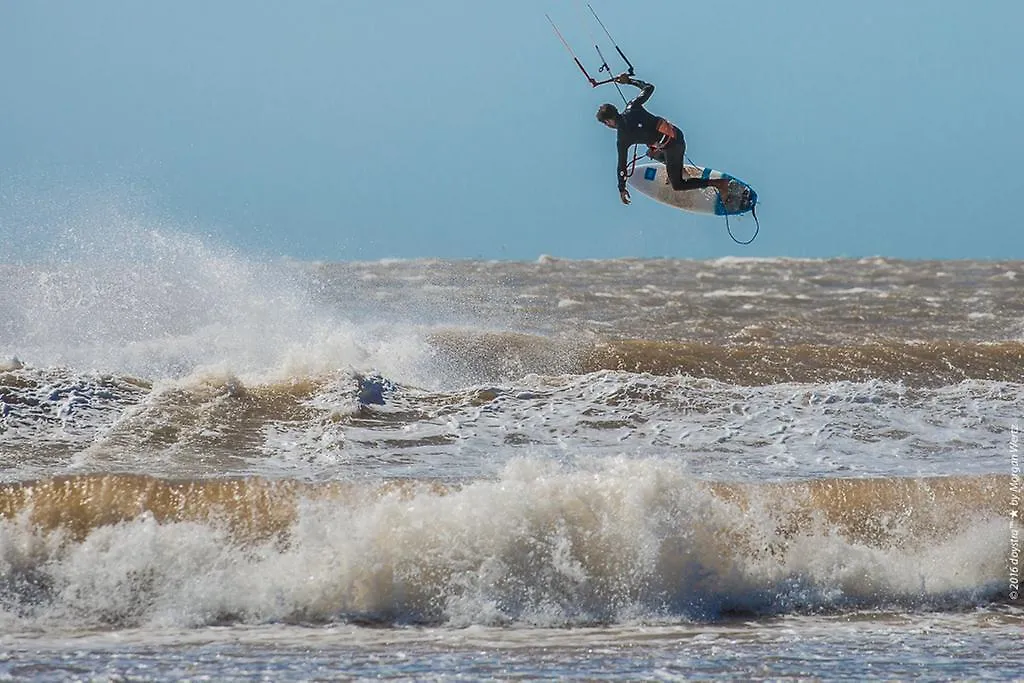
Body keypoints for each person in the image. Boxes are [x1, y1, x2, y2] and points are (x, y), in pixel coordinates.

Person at [597, 73, 734, 205]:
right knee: (651, 153)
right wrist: (629, 81)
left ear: (609, 121)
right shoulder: (632, 106)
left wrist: (621, 188)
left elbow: (621, 166)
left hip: (673, 146)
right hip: (676, 135)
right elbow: (649, 87)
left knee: (678, 185)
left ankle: (719, 184)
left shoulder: (622, 138)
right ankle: (677, 169)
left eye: (606, 123)